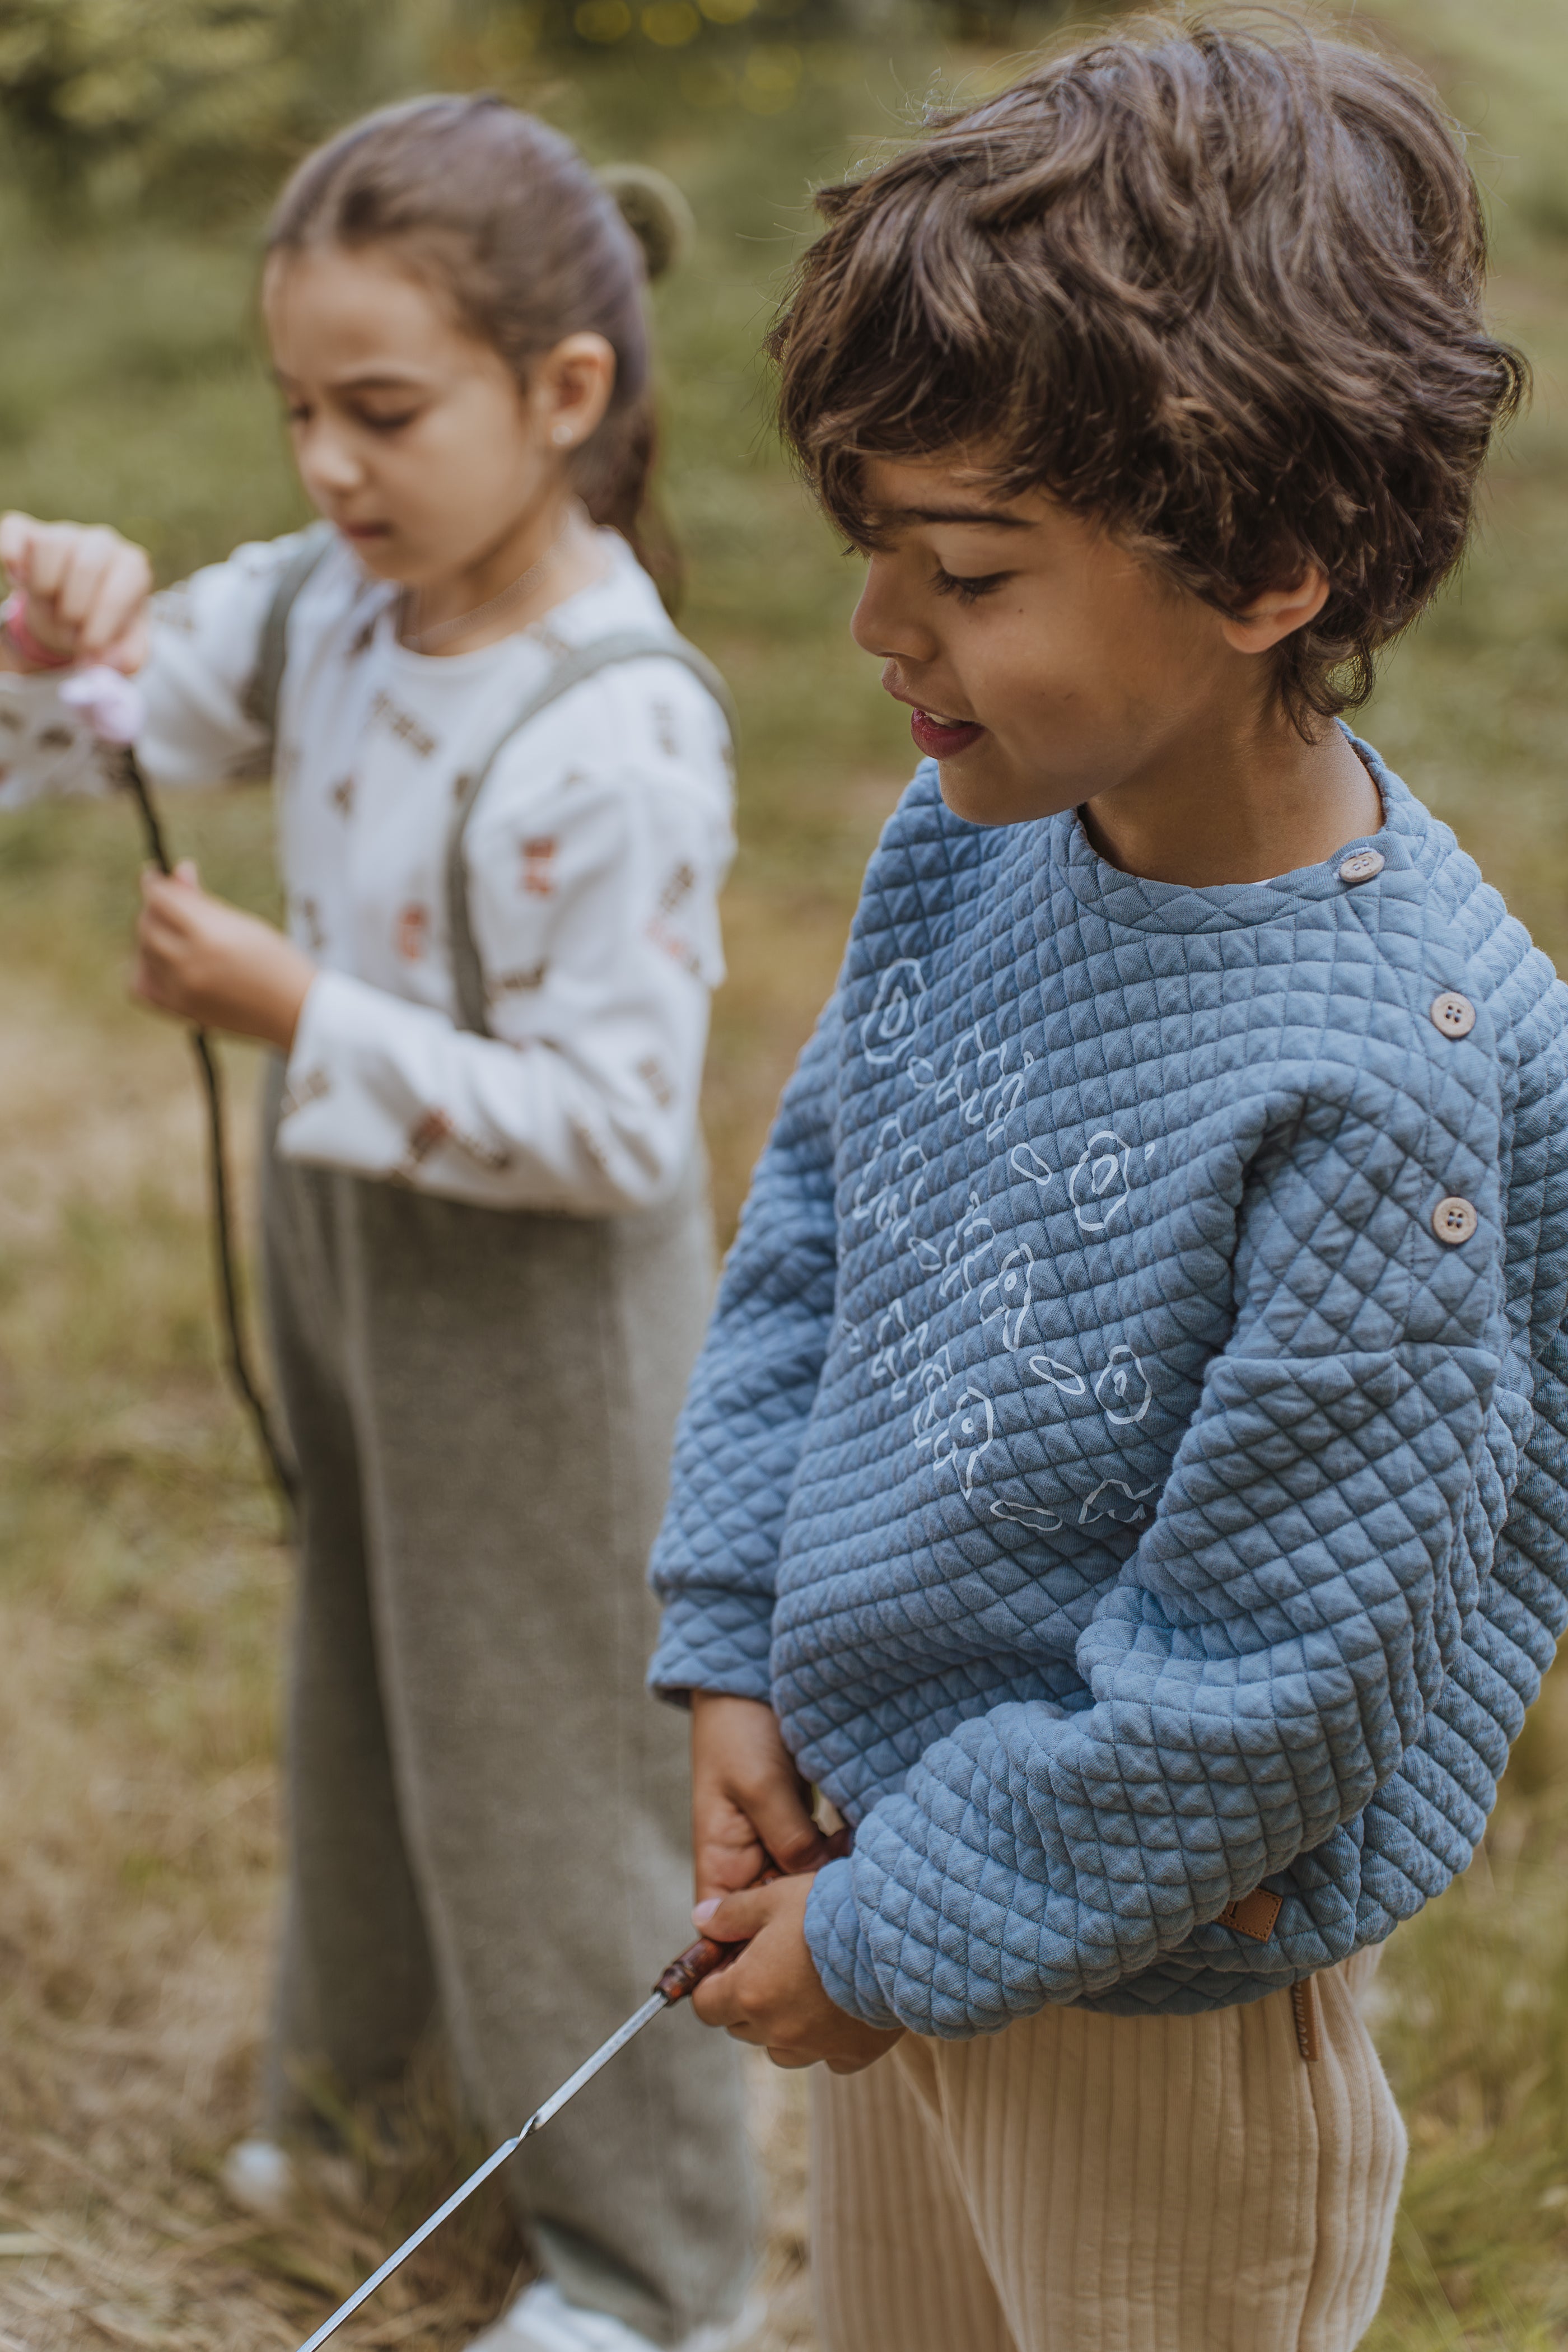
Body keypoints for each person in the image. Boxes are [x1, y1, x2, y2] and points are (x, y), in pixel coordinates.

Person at [647, 20, 1568, 2352]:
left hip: (1157, 1981)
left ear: (1265, 562)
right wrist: (737, 1637)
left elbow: (1271, 1691)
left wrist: (887, 1936)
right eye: (877, 552)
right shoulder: (975, 854)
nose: (880, 635)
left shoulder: (1376, 1093)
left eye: (963, 569)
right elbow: (815, 1246)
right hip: (888, 1862)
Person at [0, 95, 756, 2352]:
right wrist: (53, 617)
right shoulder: (343, 606)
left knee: (549, 1756)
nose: (327, 468)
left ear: (564, 397)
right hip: (348, 1247)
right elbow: (100, 714)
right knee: (364, 1677)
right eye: (297, 413)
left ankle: (651, 2266)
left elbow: (614, 1131)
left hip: (540, 1315)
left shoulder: (612, 732)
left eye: (383, 413)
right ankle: (361, 2093)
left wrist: (292, 1001)